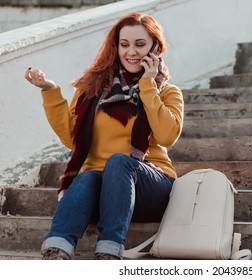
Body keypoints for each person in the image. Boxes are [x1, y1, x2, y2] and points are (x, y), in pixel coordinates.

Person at [24, 12, 183, 260]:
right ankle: (56, 251)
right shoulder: (92, 90)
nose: (131, 52)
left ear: (155, 48)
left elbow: (167, 136)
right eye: (124, 44)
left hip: (149, 187)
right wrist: (50, 90)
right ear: (115, 47)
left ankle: (109, 252)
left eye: (140, 45)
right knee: (88, 177)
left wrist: (148, 86)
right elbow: (71, 138)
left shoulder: (168, 92)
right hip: (99, 193)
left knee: (119, 161)